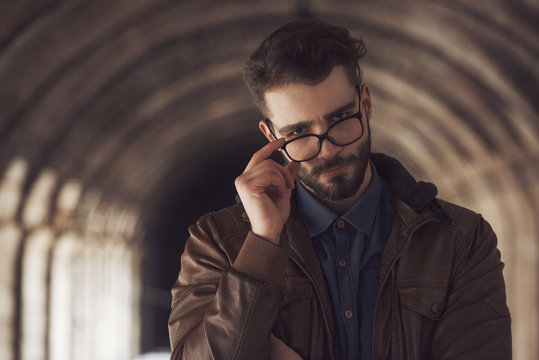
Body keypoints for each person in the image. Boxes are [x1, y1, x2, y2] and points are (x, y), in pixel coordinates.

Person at [168, 19, 511, 360]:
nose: (329, 149)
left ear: (367, 104)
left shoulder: (461, 240)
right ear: (272, 137)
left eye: (340, 119)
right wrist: (262, 243)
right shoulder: (215, 243)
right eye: (300, 132)